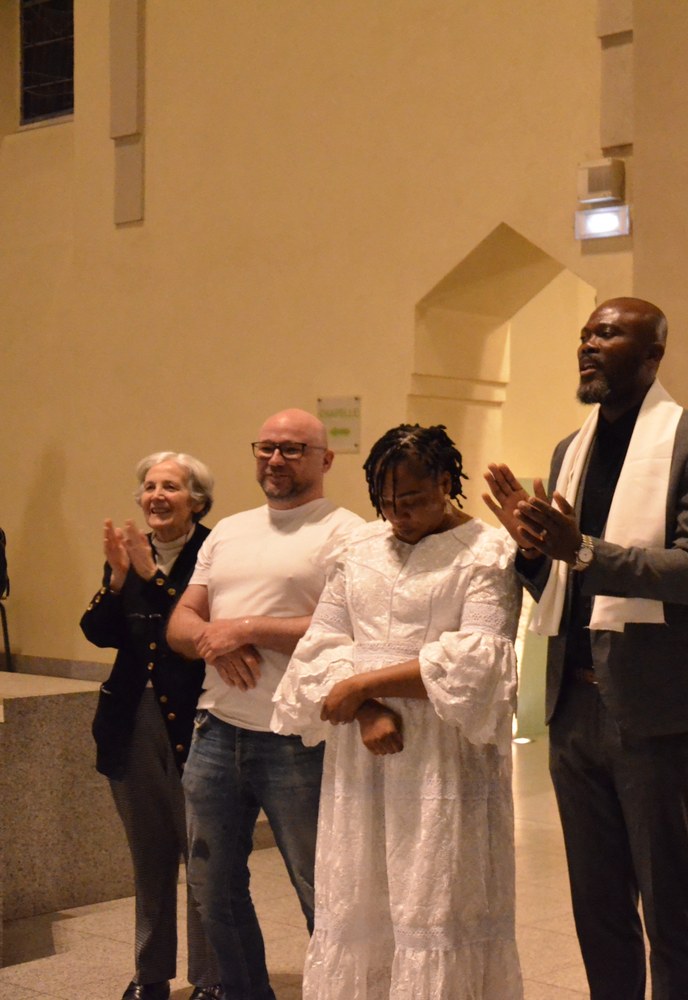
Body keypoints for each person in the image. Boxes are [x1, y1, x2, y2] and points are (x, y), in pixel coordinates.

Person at [483, 297, 688, 1000]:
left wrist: (585, 549)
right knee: (596, 905)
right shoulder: (572, 449)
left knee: (666, 901)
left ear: (653, 354)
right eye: (586, 333)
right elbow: (562, 583)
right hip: (573, 704)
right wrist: (530, 549)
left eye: (608, 334)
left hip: (657, 709)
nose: (588, 345)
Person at [270, 424, 523, 999]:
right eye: (386, 502)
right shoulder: (358, 548)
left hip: (444, 754)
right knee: (360, 899)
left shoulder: (487, 551)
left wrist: (364, 684)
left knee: (437, 900)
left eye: (411, 499)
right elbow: (321, 645)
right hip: (362, 754)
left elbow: (478, 661)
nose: (398, 515)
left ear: (445, 482)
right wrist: (365, 709)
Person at [168, 409, 364, 1000]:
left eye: (293, 449)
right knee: (212, 886)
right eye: (266, 447)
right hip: (217, 730)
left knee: (321, 890)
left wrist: (243, 629)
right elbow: (181, 622)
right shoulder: (229, 530)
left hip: (299, 739)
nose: (276, 459)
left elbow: (346, 628)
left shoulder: (347, 533)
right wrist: (215, 637)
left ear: (325, 459)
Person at [81, 452, 222, 1000]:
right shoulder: (131, 551)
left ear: (197, 501)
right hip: (130, 719)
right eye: (149, 486)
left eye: (170, 487)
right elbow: (100, 633)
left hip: (199, 718)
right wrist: (118, 580)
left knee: (204, 856)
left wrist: (151, 577)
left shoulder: (216, 549)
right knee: (150, 856)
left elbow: (194, 633)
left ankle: (210, 979)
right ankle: (150, 974)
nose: (156, 496)